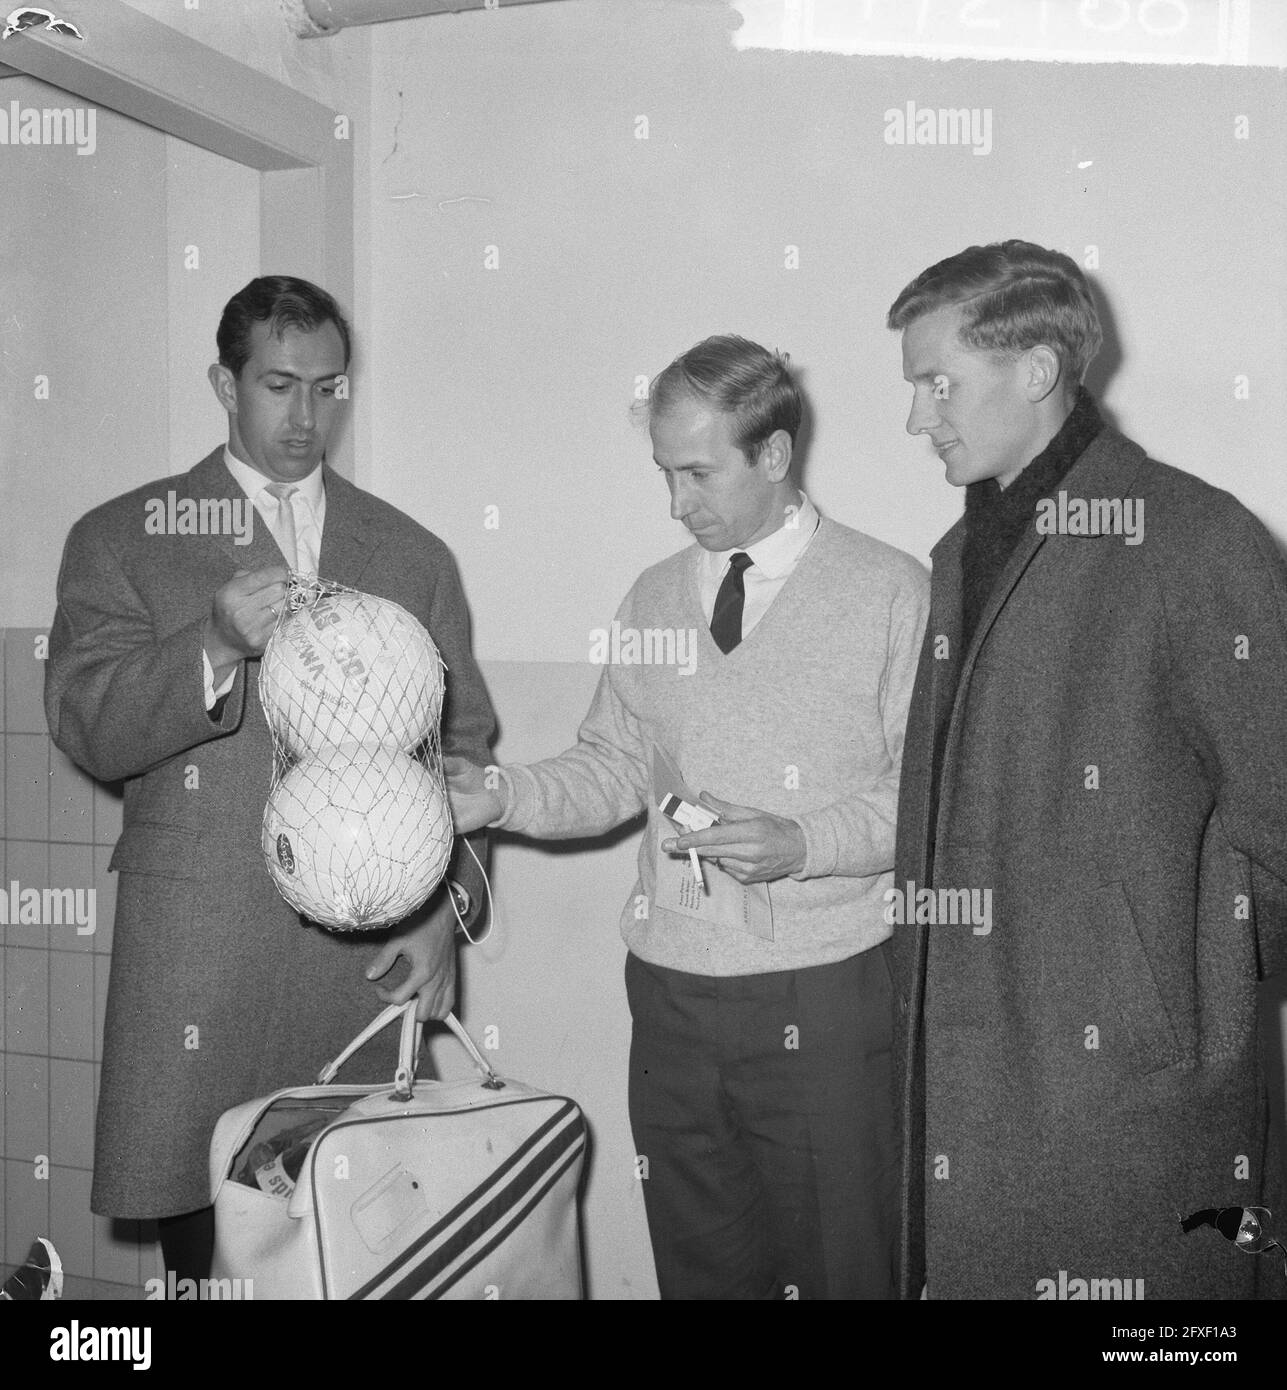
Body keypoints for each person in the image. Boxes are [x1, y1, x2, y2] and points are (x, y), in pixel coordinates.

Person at [447, 335, 928, 1299]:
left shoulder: (889, 591)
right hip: (669, 996)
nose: (676, 504)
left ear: (775, 455)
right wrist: (499, 795)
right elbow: (611, 764)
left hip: (823, 996)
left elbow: (925, 798)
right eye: (664, 474)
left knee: (843, 1270)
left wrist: (801, 845)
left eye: (698, 473)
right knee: (701, 1273)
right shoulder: (653, 595)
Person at [44, 275, 495, 1289]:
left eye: (329, 388)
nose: (307, 417)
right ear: (224, 381)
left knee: (360, 1244)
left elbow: (460, 752)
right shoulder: (123, 538)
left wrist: (443, 916)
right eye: (279, 385)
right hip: (198, 961)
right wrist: (207, 642)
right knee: (208, 1251)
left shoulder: (412, 554)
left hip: (364, 965)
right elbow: (88, 726)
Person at [885, 240, 1287, 1299]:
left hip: (1124, 1101)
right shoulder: (955, 557)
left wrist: (1181, 982)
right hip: (968, 1073)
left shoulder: (1195, 539)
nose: (918, 419)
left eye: (938, 384)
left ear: (1035, 371)